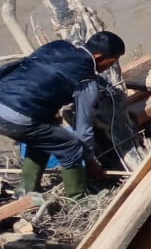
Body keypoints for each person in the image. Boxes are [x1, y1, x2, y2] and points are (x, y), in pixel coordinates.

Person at [0, 31, 126, 198]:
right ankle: (78, 198)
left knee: (45, 137)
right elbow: (83, 129)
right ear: (99, 57)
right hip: (18, 115)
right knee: (71, 147)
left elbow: (30, 73)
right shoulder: (86, 80)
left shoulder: (57, 46)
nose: (110, 67)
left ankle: (26, 190)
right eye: (112, 62)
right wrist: (90, 161)